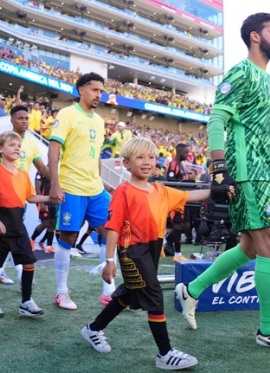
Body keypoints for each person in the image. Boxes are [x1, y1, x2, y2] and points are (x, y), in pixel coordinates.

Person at [174, 13, 270, 351]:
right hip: (246, 173)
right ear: (255, 36)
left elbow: (268, 133)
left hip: (264, 173)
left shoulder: (269, 81)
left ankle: (190, 291)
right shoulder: (241, 71)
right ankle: (269, 330)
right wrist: (219, 167)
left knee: (251, 247)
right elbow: (217, 117)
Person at [81, 137, 224, 370]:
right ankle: (165, 353)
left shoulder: (159, 189)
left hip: (152, 249)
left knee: (129, 294)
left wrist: (215, 191)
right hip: (131, 251)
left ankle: (93, 329)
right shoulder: (123, 192)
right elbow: (113, 227)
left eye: (151, 157)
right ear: (126, 164)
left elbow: (188, 197)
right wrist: (109, 261)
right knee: (154, 294)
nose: (147, 162)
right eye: (140, 157)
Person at [48, 72, 113, 309]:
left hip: (94, 188)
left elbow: (95, 156)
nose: (98, 95)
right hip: (71, 187)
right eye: (94, 90)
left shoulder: (99, 120)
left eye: (101, 91)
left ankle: (109, 291)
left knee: (109, 231)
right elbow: (53, 151)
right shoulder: (67, 114)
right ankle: (61, 292)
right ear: (81, 90)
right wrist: (55, 184)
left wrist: (100, 181)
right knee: (68, 237)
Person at [0, 131, 50, 318]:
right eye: (12, 145)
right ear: (0, 149)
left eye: (19, 146)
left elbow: (30, 196)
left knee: (29, 262)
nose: (17, 148)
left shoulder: (24, 174)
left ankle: (26, 301)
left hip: (18, 224)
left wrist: (49, 198)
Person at [0, 105, 50, 285]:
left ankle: (10, 274)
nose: (24, 121)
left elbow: (42, 169)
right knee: (5, 239)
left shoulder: (32, 143)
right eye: (20, 118)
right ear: (12, 120)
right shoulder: (2, 141)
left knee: (14, 238)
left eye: (27, 118)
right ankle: (7, 274)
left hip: (20, 197)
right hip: (1, 201)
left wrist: (58, 182)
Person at [165, 143, 190, 261]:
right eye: (185, 152)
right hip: (176, 199)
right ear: (178, 151)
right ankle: (177, 255)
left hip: (183, 198)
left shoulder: (181, 165)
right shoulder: (173, 165)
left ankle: (165, 241)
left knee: (185, 225)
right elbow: (170, 182)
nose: (187, 154)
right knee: (178, 225)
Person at [30, 172, 56, 253]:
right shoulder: (41, 172)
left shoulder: (55, 172)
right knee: (45, 223)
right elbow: (37, 188)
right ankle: (32, 240)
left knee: (52, 223)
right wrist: (41, 203)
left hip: (52, 201)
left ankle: (49, 246)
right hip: (43, 201)